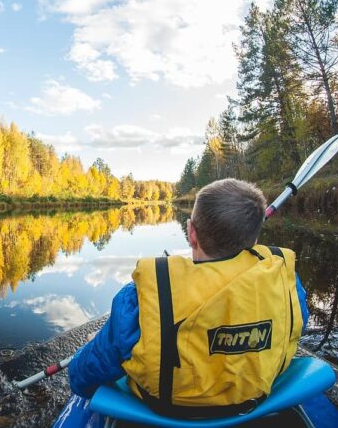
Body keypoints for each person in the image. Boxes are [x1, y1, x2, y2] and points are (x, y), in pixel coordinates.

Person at [68, 178, 309, 418]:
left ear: (191, 232)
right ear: (255, 238)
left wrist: (99, 345)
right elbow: (295, 329)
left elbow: (81, 380)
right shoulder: (286, 283)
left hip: (165, 410)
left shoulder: (139, 299)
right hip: (252, 404)